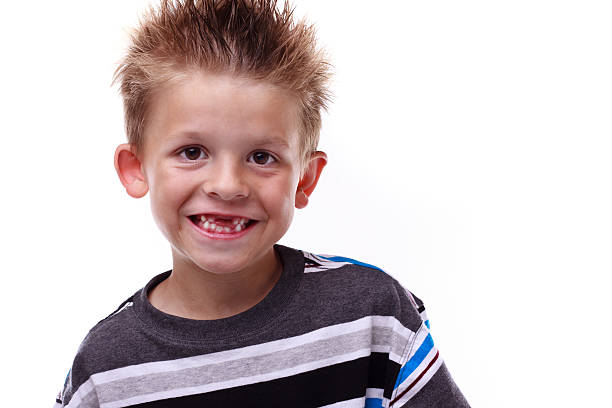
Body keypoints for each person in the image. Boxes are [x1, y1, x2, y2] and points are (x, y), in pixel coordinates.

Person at [54, 0, 470, 406]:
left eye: (261, 157)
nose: (228, 185)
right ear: (136, 168)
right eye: (192, 152)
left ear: (305, 179)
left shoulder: (374, 316)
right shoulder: (105, 371)